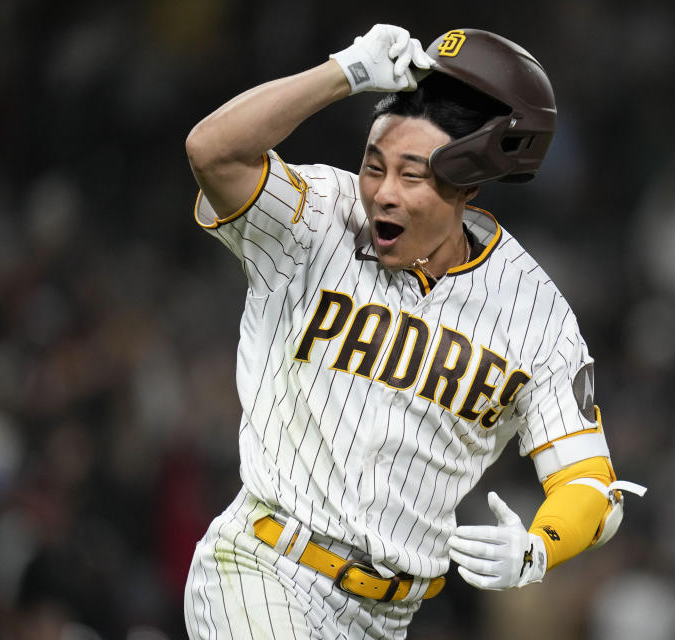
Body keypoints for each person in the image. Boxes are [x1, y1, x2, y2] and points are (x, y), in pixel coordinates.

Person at [182, 24, 645, 640]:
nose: (384, 195)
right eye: (374, 167)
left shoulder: (534, 312)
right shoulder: (318, 215)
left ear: (468, 186)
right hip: (263, 569)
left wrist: (538, 548)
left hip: (388, 618)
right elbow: (212, 149)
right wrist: (343, 71)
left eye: (411, 175)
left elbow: (591, 483)